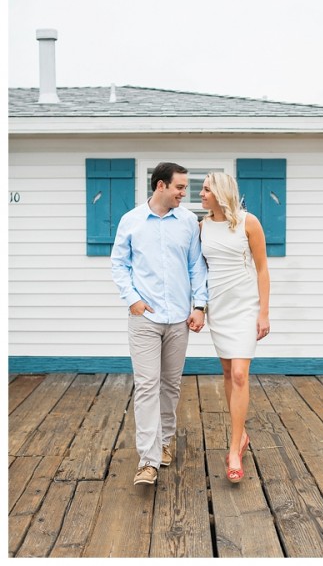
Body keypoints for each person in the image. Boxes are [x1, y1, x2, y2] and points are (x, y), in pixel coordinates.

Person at [111, 162, 208, 486]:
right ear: (161, 186)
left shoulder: (188, 223)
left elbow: (197, 266)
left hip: (179, 317)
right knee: (147, 385)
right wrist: (133, 300)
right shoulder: (131, 221)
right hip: (145, 318)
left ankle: (165, 442)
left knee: (170, 385)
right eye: (180, 187)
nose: (185, 193)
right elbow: (119, 264)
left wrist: (199, 306)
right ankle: (148, 461)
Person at [199, 172, 271, 483]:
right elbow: (198, 270)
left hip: (244, 307)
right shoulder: (201, 227)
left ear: (220, 192)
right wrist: (200, 308)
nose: (200, 194)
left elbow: (263, 267)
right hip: (219, 307)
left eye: (205, 189)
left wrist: (264, 312)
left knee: (240, 373)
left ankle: (233, 448)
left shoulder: (248, 222)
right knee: (228, 372)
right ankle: (241, 436)